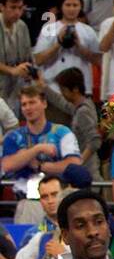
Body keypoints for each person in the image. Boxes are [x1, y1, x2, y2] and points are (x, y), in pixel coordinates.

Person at [3, 84, 82, 224]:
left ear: (44, 103)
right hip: (28, 202)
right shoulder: (13, 137)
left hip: (60, 201)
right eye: (24, 104)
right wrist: (36, 149)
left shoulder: (62, 133)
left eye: (32, 102)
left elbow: (74, 165)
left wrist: (40, 166)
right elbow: (7, 165)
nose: (28, 108)